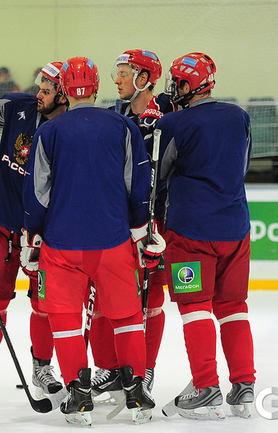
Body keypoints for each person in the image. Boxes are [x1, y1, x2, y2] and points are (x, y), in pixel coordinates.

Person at [22, 56, 165, 426]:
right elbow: (138, 185)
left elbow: (37, 192)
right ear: (97, 87)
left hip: (61, 243)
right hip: (113, 241)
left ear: (66, 91)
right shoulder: (122, 126)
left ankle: (78, 393)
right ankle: (136, 391)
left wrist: (33, 236)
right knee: (127, 315)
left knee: (65, 317)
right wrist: (140, 230)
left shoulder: (49, 132)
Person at [0, 62, 68, 402]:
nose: (39, 95)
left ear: (64, 96)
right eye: (40, 88)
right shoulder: (19, 106)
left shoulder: (71, 129)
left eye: (47, 91)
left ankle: (42, 367)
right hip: (3, 224)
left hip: (44, 232)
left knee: (45, 303)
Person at [155, 52, 256, 420]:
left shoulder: (172, 123)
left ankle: (206, 387)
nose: (173, 88)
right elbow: (242, 166)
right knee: (233, 306)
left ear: (188, 85)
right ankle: (243, 387)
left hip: (190, 231)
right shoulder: (239, 116)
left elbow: (158, 175)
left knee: (195, 307)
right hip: (235, 227)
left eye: (176, 82)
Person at [89, 49, 173, 405]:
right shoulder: (114, 116)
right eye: (118, 72)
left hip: (156, 218)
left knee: (151, 299)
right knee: (105, 296)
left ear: (144, 78)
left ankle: (145, 368)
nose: (117, 79)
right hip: (116, 220)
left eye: (125, 72)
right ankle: (109, 367)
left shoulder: (168, 115)